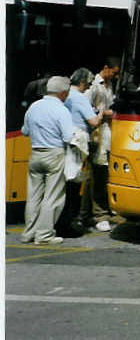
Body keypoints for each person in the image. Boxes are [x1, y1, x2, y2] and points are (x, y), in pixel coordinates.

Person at [21, 76, 74, 245]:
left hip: (35, 154)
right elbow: (68, 137)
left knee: (33, 196)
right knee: (53, 196)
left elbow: (25, 131)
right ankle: (44, 235)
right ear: (63, 93)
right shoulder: (61, 110)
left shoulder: (33, 107)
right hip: (54, 154)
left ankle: (29, 233)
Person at [58, 68, 99, 236]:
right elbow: (93, 121)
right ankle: (67, 223)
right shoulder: (80, 98)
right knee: (74, 182)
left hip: (63, 140)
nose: (88, 87)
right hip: (78, 142)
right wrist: (102, 114)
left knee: (62, 182)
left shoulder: (63, 95)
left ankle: (59, 220)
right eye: (88, 84)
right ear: (82, 82)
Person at [81, 57, 120, 232]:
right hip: (97, 134)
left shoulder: (110, 86)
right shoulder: (93, 86)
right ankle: (99, 214)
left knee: (95, 175)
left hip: (107, 133)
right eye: (114, 72)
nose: (116, 76)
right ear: (106, 68)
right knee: (97, 174)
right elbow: (86, 108)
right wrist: (106, 113)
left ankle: (85, 214)